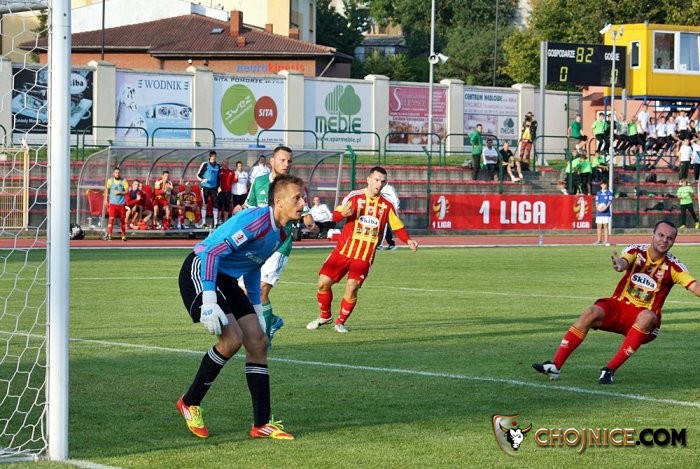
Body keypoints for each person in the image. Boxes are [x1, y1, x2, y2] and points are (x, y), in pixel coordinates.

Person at [176, 174, 306, 440]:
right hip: (201, 268)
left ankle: (261, 424)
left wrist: (256, 309)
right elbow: (211, 253)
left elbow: (253, 266)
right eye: (297, 198)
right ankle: (189, 402)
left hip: (226, 279)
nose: (303, 203)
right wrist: (209, 300)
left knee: (258, 342)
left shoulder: (281, 233)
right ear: (279, 201)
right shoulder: (257, 221)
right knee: (232, 339)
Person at [533, 220, 700, 384]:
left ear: (673, 241)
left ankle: (609, 370)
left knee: (647, 316)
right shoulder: (636, 251)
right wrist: (619, 264)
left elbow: (694, 287)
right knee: (591, 312)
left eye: (669, 238)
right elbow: (623, 262)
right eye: (661, 235)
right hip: (620, 307)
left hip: (644, 319)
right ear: (653, 235)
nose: (664, 240)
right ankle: (555, 366)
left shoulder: (674, 267)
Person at [306, 166, 419, 333]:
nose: (379, 184)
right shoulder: (354, 196)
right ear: (368, 179)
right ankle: (325, 316)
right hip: (343, 250)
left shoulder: (387, 205)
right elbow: (335, 216)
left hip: (364, 255)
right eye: (377, 180)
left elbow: (397, 226)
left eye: (383, 181)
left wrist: (408, 240)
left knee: (352, 287)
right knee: (323, 284)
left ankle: (340, 322)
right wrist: (343, 214)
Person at [244, 145, 319, 343]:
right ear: (272, 162)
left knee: (261, 291)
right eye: (282, 160)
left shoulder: (294, 187)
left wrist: (311, 225)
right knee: (245, 292)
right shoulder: (259, 182)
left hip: (279, 245)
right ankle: (273, 320)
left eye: (289, 161)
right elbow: (249, 209)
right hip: (257, 245)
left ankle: (264, 339)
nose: (286, 164)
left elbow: (305, 213)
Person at [104, 167, 129, 241]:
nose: (117, 174)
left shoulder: (123, 181)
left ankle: (123, 235)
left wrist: (120, 192)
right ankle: (109, 235)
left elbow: (127, 191)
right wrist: (105, 200)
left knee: (122, 220)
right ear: (113, 173)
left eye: (118, 172)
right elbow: (106, 189)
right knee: (111, 219)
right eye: (116, 172)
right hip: (112, 203)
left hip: (121, 203)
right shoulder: (110, 181)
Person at [197, 150, 221, 228]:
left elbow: (219, 177)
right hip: (205, 187)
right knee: (205, 203)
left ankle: (216, 223)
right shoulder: (205, 164)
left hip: (214, 188)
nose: (213, 157)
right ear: (210, 157)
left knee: (216, 204)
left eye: (215, 156)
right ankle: (204, 222)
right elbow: (198, 175)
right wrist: (202, 179)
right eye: (212, 156)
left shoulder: (218, 166)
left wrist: (219, 186)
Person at [379, 181, 400, 250]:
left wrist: (394, 210)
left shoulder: (389, 188)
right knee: (384, 227)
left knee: (384, 227)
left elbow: (395, 200)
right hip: (380, 211)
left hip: (388, 210)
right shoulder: (378, 188)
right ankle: (391, 244)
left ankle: (380, 245)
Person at [593, 181, 613, 245]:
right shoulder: (598, 193)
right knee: (599, 226)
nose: (604, 185)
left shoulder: (609, 193)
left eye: (605, 184)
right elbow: (596, 201)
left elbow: (610, 201)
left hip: (606, 213)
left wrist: (605, 208)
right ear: (601, 185)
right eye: (603, 184)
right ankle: (599, 240)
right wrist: (597, 208)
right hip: (599, 212)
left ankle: (606, 240)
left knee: (605, 226)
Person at [218, 159, 235, 224]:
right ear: (222, 163)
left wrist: (236, 177)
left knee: (227, 205)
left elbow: (235, 180)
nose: (226, 163)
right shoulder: (219, 171)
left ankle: (225, 220)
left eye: (227, 162)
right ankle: (218, 220)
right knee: (219, 205)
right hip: (220, 191)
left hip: (228, 191)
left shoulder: (231, 171)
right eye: (224, 162)